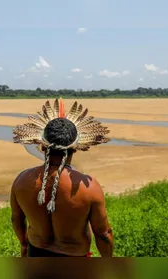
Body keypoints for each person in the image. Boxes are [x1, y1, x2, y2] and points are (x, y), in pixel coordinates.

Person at [10, 98, 114, 257]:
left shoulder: (22, 180)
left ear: (42, 146)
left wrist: (24, 244)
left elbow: (17, 220)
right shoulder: (90, 188)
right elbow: (104, 234)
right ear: (77, 148)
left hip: (35, 252)